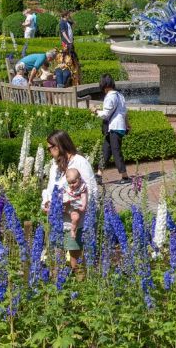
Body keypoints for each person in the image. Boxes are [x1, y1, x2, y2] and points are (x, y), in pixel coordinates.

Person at [41, 131, 98, 270]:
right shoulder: (55, 165)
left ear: (58, 146)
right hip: (58, 220)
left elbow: (91, 192)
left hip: (77, 221)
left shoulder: (80, 162)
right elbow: (50, 189)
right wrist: (46, 203)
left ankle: (78, 285)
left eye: (50, 148)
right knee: (57, 257)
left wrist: (70, 206)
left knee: (75, 260)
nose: (49, 152)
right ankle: (61, 285)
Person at [96, 74, 131, 183]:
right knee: (105, 151)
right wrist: (127, 124)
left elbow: (105, 114)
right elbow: (124, 112)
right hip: (118, 127)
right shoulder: (120, 95)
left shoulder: (110, 96)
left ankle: (125, 176)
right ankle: (99, 175)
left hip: (114, 128)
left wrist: (95, 111)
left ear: (103, 85)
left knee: (116, 152)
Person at [62, 168, 89, 239]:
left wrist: (83, 206)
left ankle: (73, 230)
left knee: (76, 218)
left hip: (74, 207)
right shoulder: (66, 186)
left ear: (79, 179)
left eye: (74, 182)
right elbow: (61, 194)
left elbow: (84, 197)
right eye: (69, 183)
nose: (72, 185)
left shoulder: (82, 187)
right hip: (65, 204)